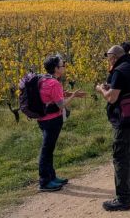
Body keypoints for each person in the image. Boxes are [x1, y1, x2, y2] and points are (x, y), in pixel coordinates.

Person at [95, 45, 130, 211]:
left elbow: (112, 98)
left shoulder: (119, 71)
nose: (108, 60)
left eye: (109, 57)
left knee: (122, 157)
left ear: (114, 57)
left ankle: (123, 199)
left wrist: (101, 89)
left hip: (125, 119)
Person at [36, 55, 83, 192]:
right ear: (56, 68)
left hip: (43, 119)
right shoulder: (54, 83)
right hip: (52, 120)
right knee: (46, 150)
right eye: (62, 65)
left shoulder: (44, 79)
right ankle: (44, 181)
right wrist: (73, 96)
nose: (64, 67)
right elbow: (61, 105)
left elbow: (56, 95)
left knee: (49, 149)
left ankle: (52, 177)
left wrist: (70, 93)